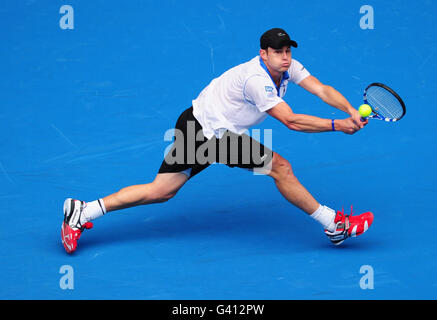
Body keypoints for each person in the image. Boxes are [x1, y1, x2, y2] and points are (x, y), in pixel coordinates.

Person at [61, 28, 373, 254]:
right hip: (209, 134)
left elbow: (321, 88)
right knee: (281, 168)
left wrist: (349, 110)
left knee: (161, 191)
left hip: (200, 123)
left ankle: (83, 211)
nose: (285, 57)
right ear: (263, 53)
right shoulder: (256, 80)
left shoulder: (288, 67)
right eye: (278, 52)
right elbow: (290, 120)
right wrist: (337, 125)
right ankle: (334, 224)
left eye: (288, 51)